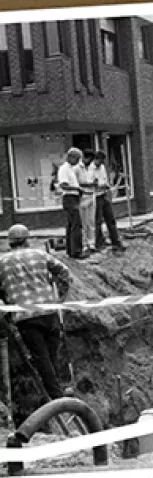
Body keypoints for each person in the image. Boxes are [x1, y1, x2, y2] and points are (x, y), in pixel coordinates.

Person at [0, 224, 72, 400]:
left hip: (25, 317)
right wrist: (60, 299)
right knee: (51, 353)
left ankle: (55, 395)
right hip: (48, 311)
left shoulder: (2, 262)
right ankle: (57, 392)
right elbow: (65, 273)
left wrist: (7, 305)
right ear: (27, 240)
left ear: (10, 243)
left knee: (41, 357)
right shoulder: (40, 254)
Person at [91, 151, 125, 251]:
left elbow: (105, 180)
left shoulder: (102, 168)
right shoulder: (90, 169)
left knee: (110, 219)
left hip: (104, 195)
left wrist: (107, 185)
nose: (101, 163)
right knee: (98, 221)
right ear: (96, 159)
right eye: (100, 161)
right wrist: (102, 185)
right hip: (96, 196)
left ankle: (116, 241)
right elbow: (93, 184)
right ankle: (99, 242)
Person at [56, 147, 86, 259]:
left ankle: (70, 250)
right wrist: (77, 189)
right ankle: (76, 251)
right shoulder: (64, 169)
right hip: (70, 198)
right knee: (76, 225)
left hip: (73, 198)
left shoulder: (70, 169)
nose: (78, 162)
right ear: (70, 157)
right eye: (77, 159)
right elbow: (63, 185)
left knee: (71, 225)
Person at [76, 149, 97, 255]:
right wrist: (88, 184)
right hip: (83, 196)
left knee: (91, 221)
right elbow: (78, 183)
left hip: (92, 195)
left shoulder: (92, 167)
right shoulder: (78, 168)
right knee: (84, 222)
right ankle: (84, 244)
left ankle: (91, 243)